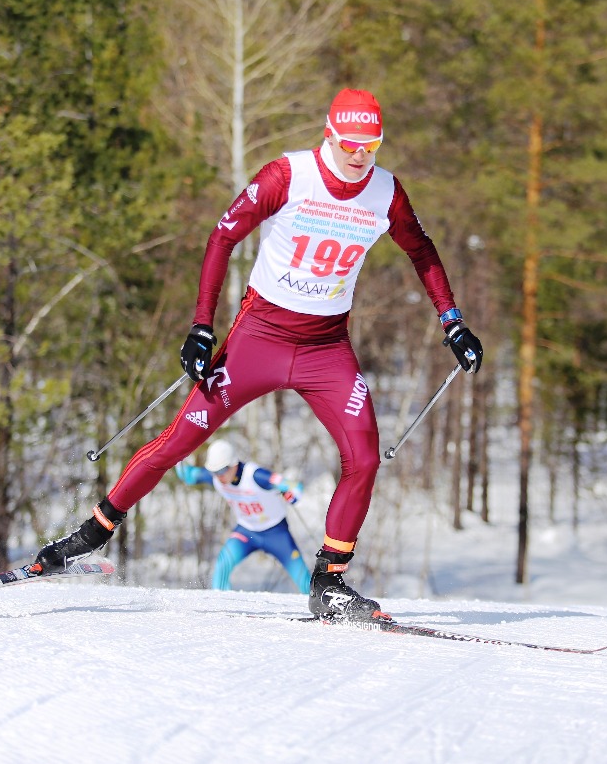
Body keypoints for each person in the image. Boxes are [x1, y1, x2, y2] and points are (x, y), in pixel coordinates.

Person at [32, 88, 483, 621]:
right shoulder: (287, 176)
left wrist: (452, 322)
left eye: (372, 144)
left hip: (326, 348)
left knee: (363, 457)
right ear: (329, 134)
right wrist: (202, 326)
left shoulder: (386, 192)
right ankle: (90, 535)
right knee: (181, 439)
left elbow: (422, 250)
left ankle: (329, 582)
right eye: (350, 143)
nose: (361, 155)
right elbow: (222, 237)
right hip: (258, 339)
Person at [174, 439, 311, 594]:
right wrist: (177, 453)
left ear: (234, 464)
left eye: (221, 470)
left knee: (302, 578)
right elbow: (188, 475)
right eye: (214, 471)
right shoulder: (216, 477)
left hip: (276, 533)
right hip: (248, 532)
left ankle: (321, 610)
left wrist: (291, 494)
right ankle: (220, 605)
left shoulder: (256, 476)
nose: (218, 476)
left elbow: (294, 487)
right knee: (223, 563)